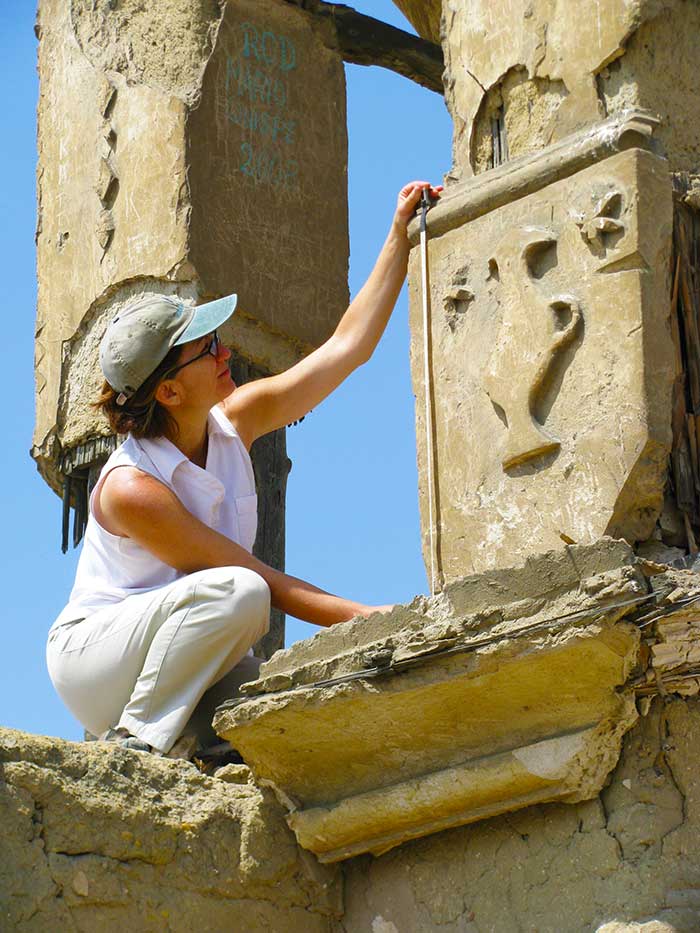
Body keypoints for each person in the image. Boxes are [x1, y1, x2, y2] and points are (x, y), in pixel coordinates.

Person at [46, 180, 441, 758]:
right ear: (172, 390)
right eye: (208, 349)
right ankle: (135, 743)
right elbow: (264, 585)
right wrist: (375, 618)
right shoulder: (131, 488)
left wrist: (399, 237)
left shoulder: (235, 420)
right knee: (242, 591)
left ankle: (188, 741)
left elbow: (346, 349)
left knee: (289, 709)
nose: (225, 352)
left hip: (190, 645)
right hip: (98, 665)